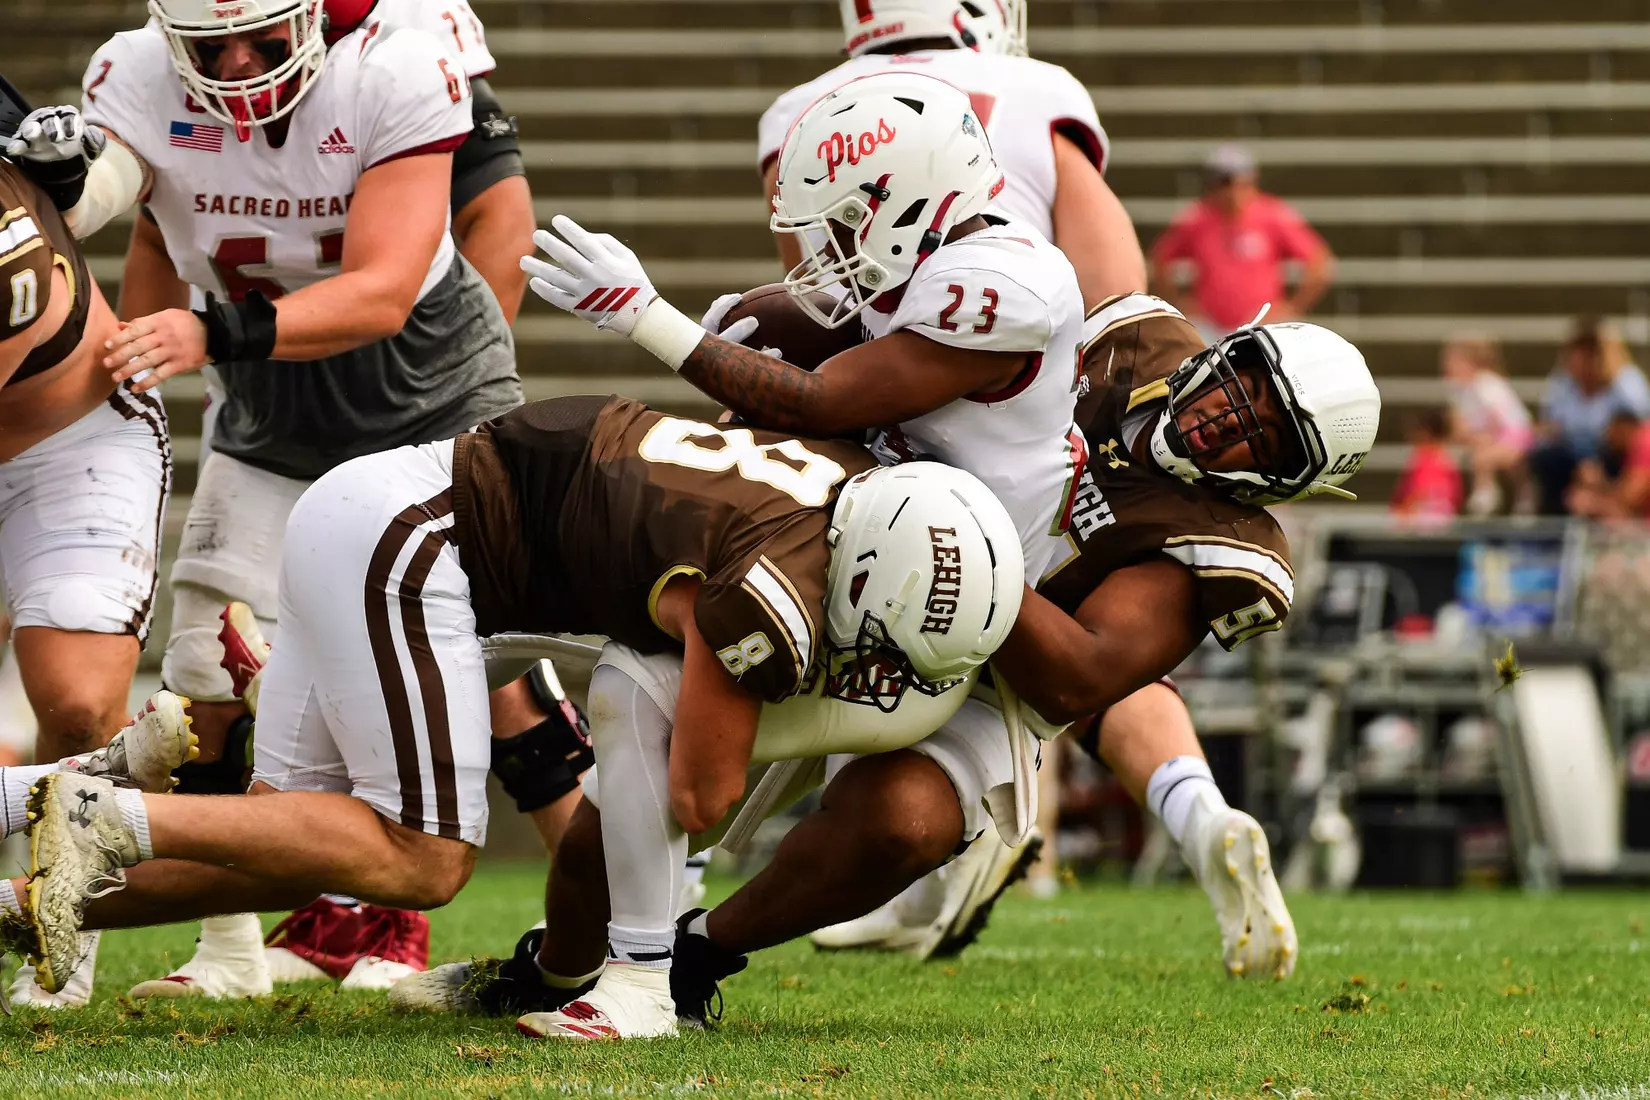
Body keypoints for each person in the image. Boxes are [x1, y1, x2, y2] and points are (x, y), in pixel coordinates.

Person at [394, 296, 1382, 1027]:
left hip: (994, 672)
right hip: (860, 557)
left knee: (904, 823)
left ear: (1290, 479)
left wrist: (958, 550)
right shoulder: (1126, 337)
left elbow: (1077, 677)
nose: (1233, 414)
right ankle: (555, 967)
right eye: (1247, 381)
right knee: (626, 796)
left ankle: (696, 959)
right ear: (1231, 346)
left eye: (1266, 430)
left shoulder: (1218, 541)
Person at [9, 396, 1018, 1002]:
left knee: (291, 846)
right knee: (425, 855)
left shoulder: (831, 484)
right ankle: (115, 804)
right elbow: (700, 793)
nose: (880, 669)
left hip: (375, 511)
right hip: (417, 542)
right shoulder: (773, 585)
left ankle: (20, 874)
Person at [2, 0, 524, 1005]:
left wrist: (208, 332)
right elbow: (122, 192)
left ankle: (614, 942)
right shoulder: (140, 75)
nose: (238, 65)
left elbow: (383, 286)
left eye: (265, 40)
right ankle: (228, 945)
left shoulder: (397, 63)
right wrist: (62, 181)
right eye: (211, 46)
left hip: (424, 399)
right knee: (200, 671)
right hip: (271, 409)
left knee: (513, 672)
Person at [756, 0, 1144, 309]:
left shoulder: (792, 113)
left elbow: (812, 288)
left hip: (856, 370)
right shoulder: (1038, 87)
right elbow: (1115, 293)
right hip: (1005, 351)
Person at [1149, 143, 1335, 342]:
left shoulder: (1272, 214)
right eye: (1223, 183)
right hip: (1211, 328)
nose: (1231, 191)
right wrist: (1181, 303)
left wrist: (1292, 307)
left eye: (1238, 182)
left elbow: (1319, 261)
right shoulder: (1197, 217)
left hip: (1262, 327)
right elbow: (1160, 258)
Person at [1528, 316, 1650, 515]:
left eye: (1590, 351)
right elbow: (1550, 424)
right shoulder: (1563, 382)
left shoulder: (1627, 382)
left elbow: (1637, 431)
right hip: (1571, 455)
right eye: (1578, 351)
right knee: (1546, 458)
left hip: (1615, 457)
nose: (1582, 358)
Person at [1439, 333, 1531, 516]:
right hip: (1496, 435)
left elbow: (1499, 420)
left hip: (1514, 435)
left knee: (1482, 456)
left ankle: (1488, 494)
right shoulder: (1462, 390)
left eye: (1453, 361)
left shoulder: (1486, 384)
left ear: (1470, 362)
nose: (1447, 367)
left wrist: (1483, 436)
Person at [1390, 409, 1464, 523]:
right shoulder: (1447, 459)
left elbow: (1420, 495)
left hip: (1424, 525)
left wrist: (1400, 515)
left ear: (1426, 433)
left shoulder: (1428, 459)